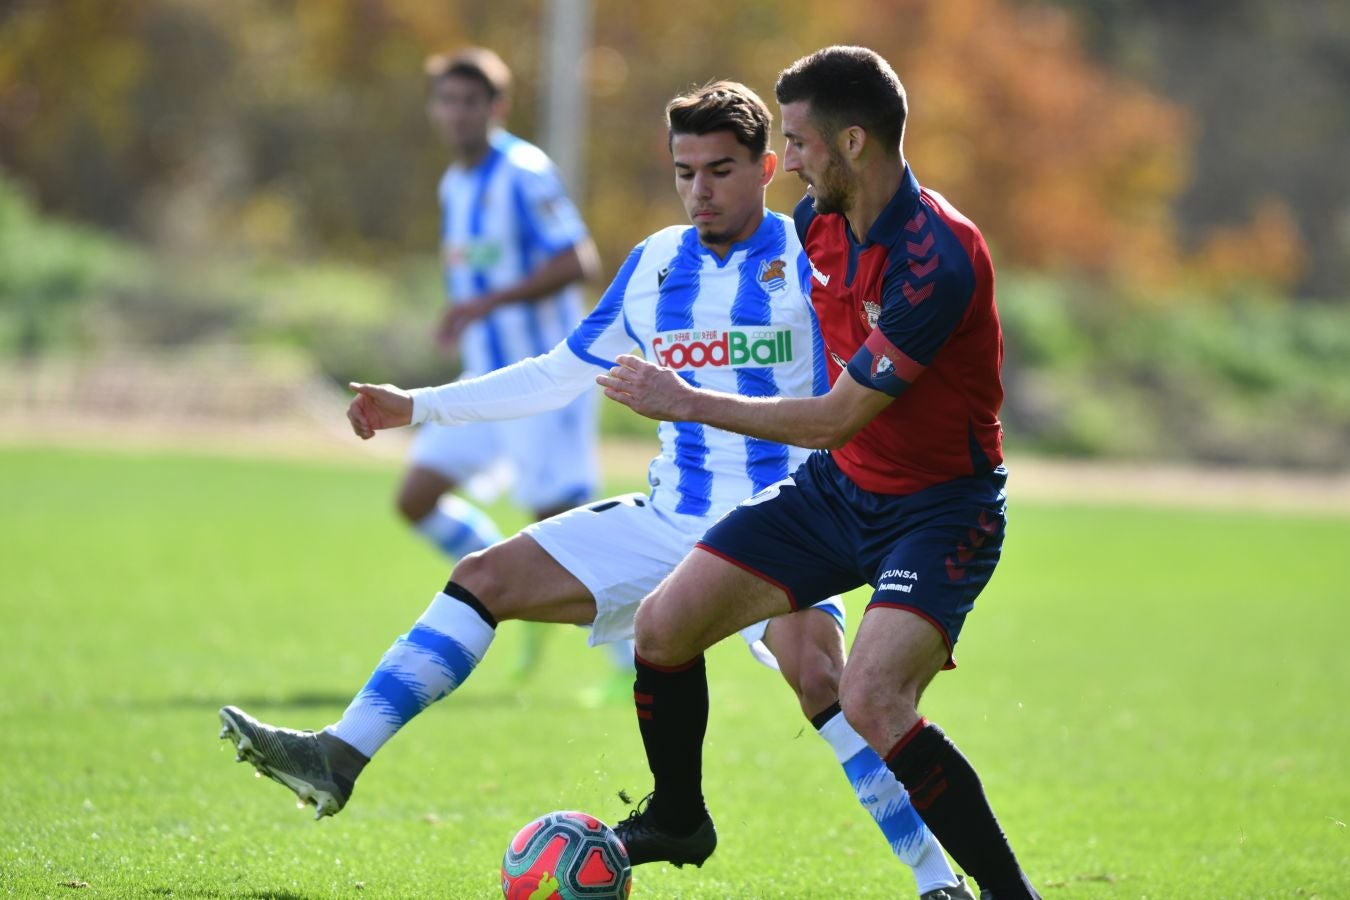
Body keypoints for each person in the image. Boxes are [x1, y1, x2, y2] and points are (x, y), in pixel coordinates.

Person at [219, 80, 973, 900]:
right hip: (670, 519)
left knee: (822, 680)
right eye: (684, 172)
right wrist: (420, 405)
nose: (700, 190)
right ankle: (339, 755)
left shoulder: (813, 258)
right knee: (483, 578)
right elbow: (557, 374)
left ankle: (936, 879)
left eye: (720, 171)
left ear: (766, 169)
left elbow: (868, 377)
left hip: (784, 526)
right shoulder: (654, 264)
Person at [597, 48, 1040, 900]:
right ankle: (679, 817)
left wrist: (685, 400)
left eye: (797, 142)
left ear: (853, 141)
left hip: (941, 511)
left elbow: (838, 415)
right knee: (662, 628)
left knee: (872, 699)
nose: (789, 161)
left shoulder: (937, 258)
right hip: (838, 492)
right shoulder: (817, 223)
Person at [405, 46, 621, 686]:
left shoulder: (524, 172)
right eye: (447, 100)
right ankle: (513, 590)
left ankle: (630, 660)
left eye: (470, 101)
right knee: (416, 498)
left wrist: (487, 303)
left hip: (542, 383)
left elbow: (577, 261)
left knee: (555, 527)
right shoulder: (454, 184)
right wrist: (462, 314)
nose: (457, 113)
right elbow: (478, 270)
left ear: (496, 108)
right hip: (482, 382)